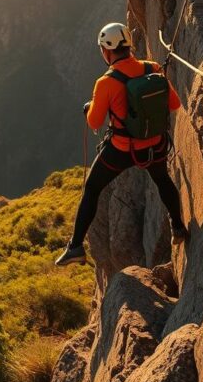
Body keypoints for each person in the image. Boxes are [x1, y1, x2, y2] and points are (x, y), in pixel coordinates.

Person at [55, 22, 189, 267]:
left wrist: (90, 106)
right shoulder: (153, 68)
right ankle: (178, 227)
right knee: (162, 180)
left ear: (106, 51)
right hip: (154, 145)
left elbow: (95, 122)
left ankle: (75, 247)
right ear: (129, 45)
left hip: (122, 150)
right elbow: (174, 104)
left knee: (92, 188)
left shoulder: (105, 83)